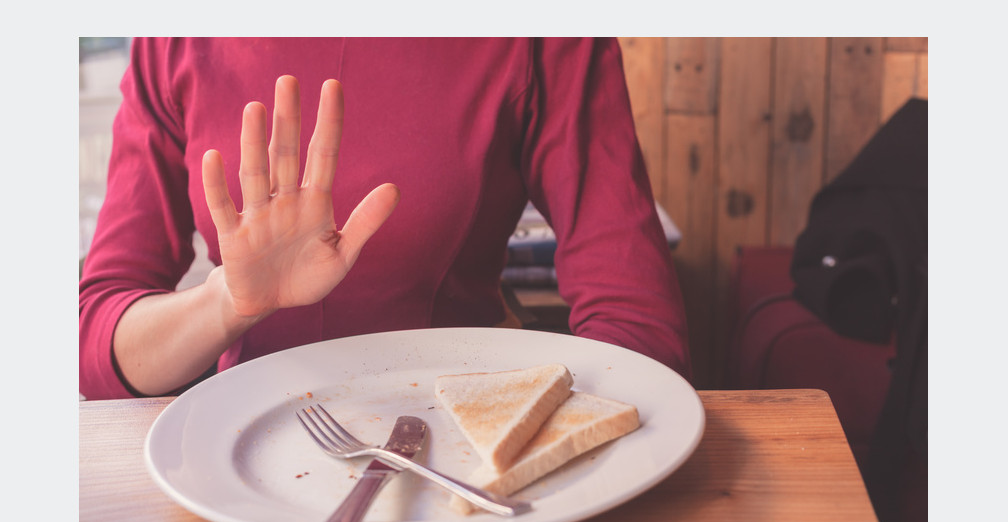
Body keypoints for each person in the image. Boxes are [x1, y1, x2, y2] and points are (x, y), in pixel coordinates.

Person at [79, 37, 692, 400]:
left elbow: (641, 332)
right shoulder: (172, 39)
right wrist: (226, 305)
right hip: (241, 456)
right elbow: (95, 345)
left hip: (472, 459)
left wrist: (516, 445)